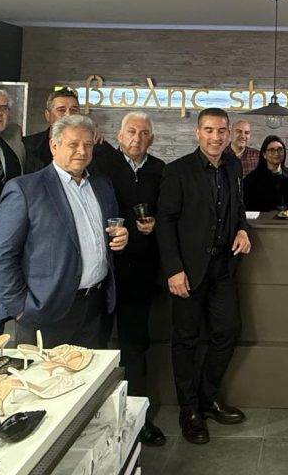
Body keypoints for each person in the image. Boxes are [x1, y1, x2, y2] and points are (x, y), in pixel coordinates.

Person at [0, 115, 128, 349]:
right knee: (42, 373)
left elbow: (104, 238)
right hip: (44, 310)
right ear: (54, 146)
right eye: (73, 144)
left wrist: (121, 239)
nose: (82, 151)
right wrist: (20, 307)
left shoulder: (102, 185)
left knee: (90, 372)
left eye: (88, 145)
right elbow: (1, 255)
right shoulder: (25, 189)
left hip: (95, 308)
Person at [158, 108, 252, 445]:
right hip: (188, 270)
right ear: (197, 133)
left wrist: (243, 229)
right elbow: (165, 222)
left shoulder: (233, 166)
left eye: (221, 130)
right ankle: (189, 410)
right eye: (209, 130)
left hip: (223, 267)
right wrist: (173, 269)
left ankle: (206, 398)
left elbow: (237, 208)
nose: (216, 137)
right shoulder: (177, 170)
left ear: (228, 134)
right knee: (185, 340)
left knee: (228, 330)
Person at [90, 112, 166, 447]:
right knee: (94, 344)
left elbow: (169, 210)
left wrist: (157, 222)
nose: (137, 138)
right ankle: (93, 420)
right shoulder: (99, 166)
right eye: (131, 131)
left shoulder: (160, 169)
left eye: (144, 133)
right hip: (102, 269)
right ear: (119, 136)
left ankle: (138, 420)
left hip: (141, 271)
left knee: (135, 345)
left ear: (152, 138)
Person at [23, 89, 81, 172]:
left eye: (74, 110)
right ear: (48, 115)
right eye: (61, 110)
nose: (68, 115)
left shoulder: (95, 147)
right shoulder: (26, 146)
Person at [242, 135, 288, 212]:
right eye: (272, 150)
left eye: (280, 149)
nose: (276, 153)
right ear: (264, 154)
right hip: (262, 219)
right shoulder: (252, 179)